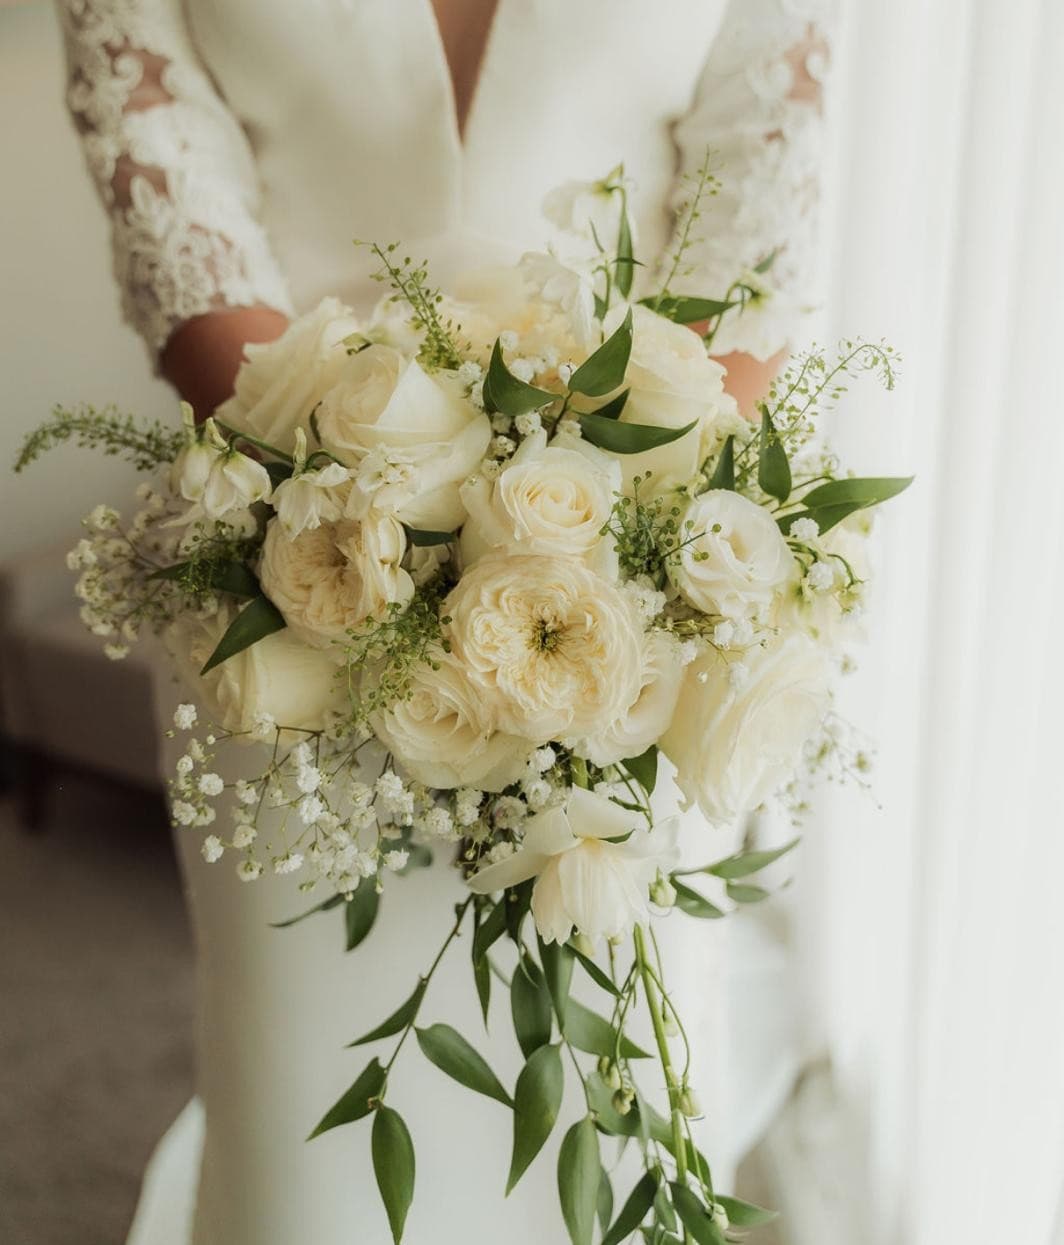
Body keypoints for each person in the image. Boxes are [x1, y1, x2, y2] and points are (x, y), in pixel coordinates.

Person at [55, 2, 834, 1241]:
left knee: (607, 1085)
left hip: (632, 617)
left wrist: (611, 534)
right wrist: (360, 524)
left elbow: (754, 211)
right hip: (287, 577)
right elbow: (171, 186)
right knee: (306, 1114)